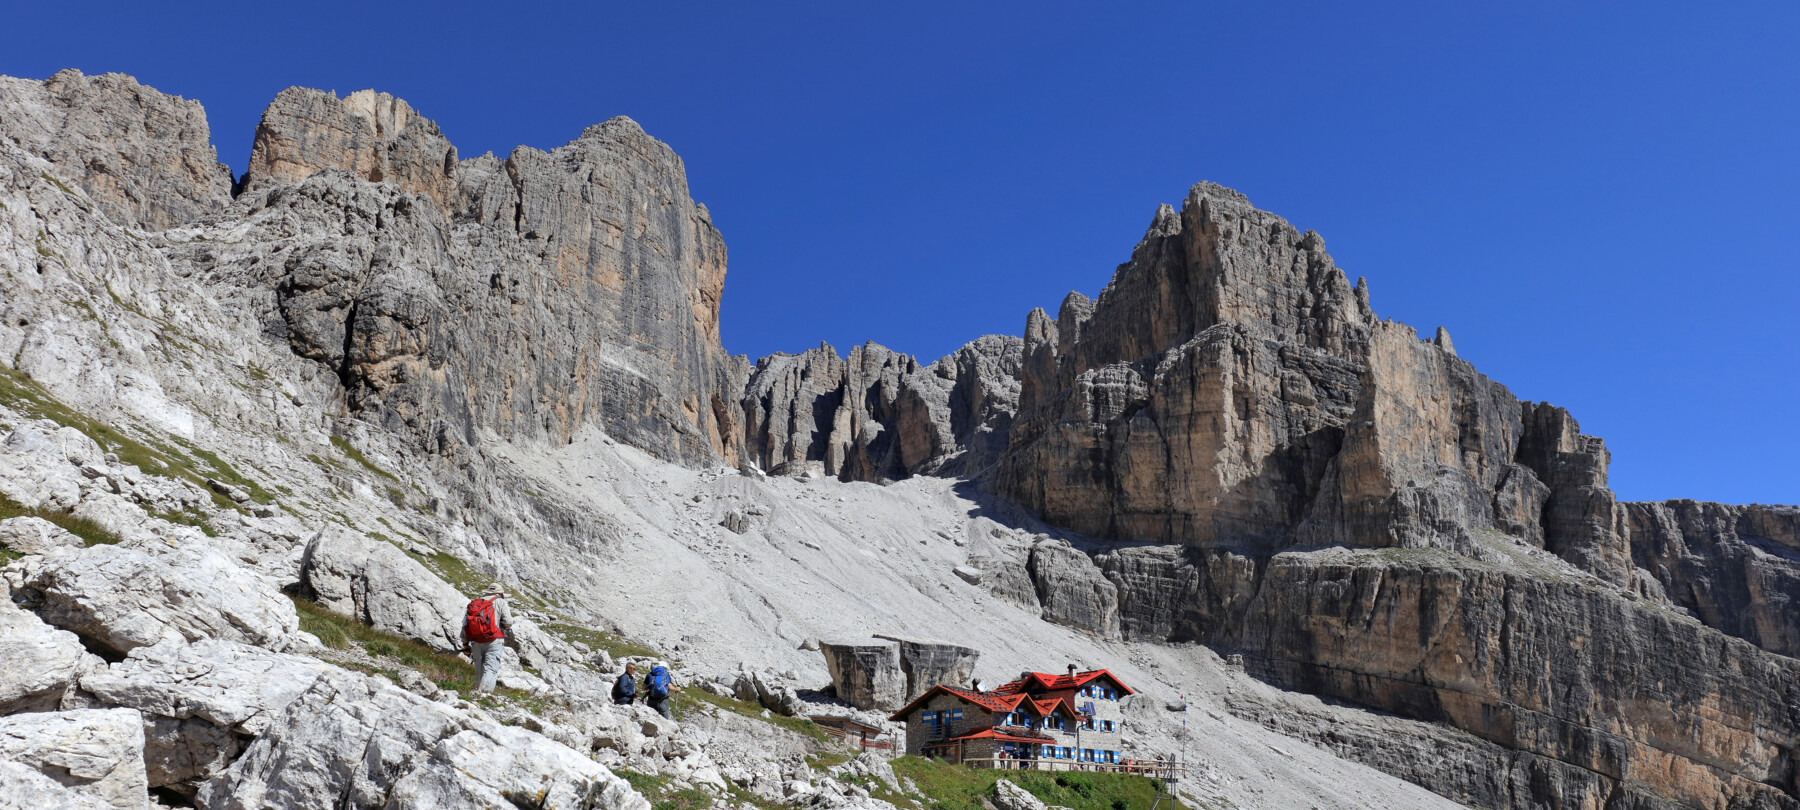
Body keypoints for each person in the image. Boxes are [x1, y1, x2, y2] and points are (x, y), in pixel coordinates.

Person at [460, 587, 514, 694]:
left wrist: (465, 643)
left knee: (479, 669)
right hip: (494, 640)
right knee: (490, 668)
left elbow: (465, 624)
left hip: (476, 641)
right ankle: (484, 695)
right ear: (500, 593)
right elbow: (508, 621)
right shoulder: (500, 602)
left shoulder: (475, 603)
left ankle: (476, 693)